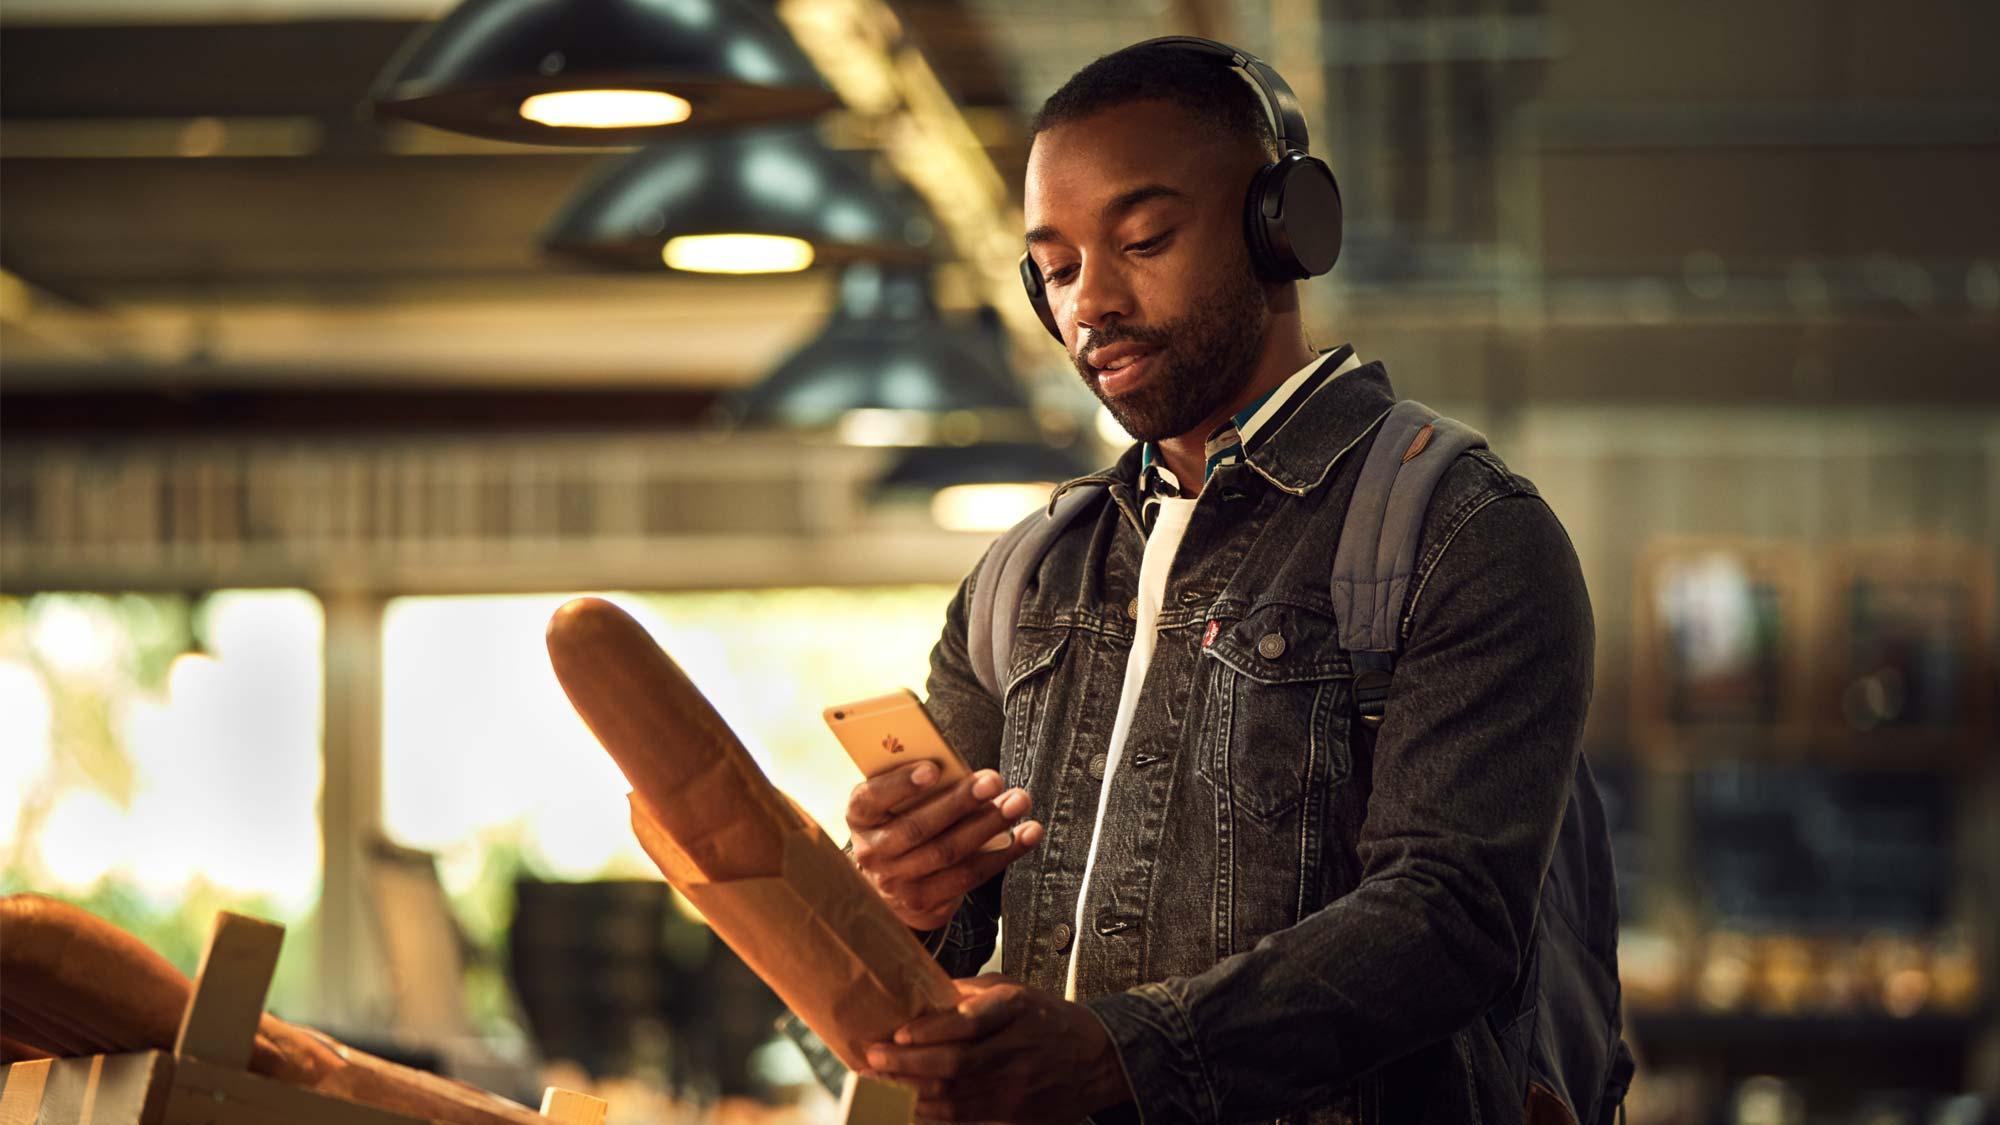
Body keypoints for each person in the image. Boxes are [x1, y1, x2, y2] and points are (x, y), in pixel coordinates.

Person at [845, 38, 1595, 1124]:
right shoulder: (1024, 580)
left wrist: (1123, 1057)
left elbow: (1447, 918)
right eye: (1054, 271)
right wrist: (903, 899)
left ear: (1281, 228)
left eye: (1142, 239)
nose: (1088, 305)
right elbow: (939, 946)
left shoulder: (1462, 532)